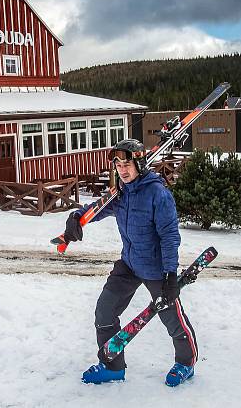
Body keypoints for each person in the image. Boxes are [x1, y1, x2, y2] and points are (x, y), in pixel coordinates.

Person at [64, 139, 197, 387]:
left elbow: (170, 237)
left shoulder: (158, 194)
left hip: (157, 268)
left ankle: (186, 363)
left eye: (127, 164)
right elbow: (97, 208)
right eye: (118, 164)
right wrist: (76, 217)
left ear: (139, 164)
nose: (122, 170)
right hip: (129, 263)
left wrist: (170, 275)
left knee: (171, 318)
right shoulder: (121, 193)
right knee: (105, 310)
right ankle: (113, 367)